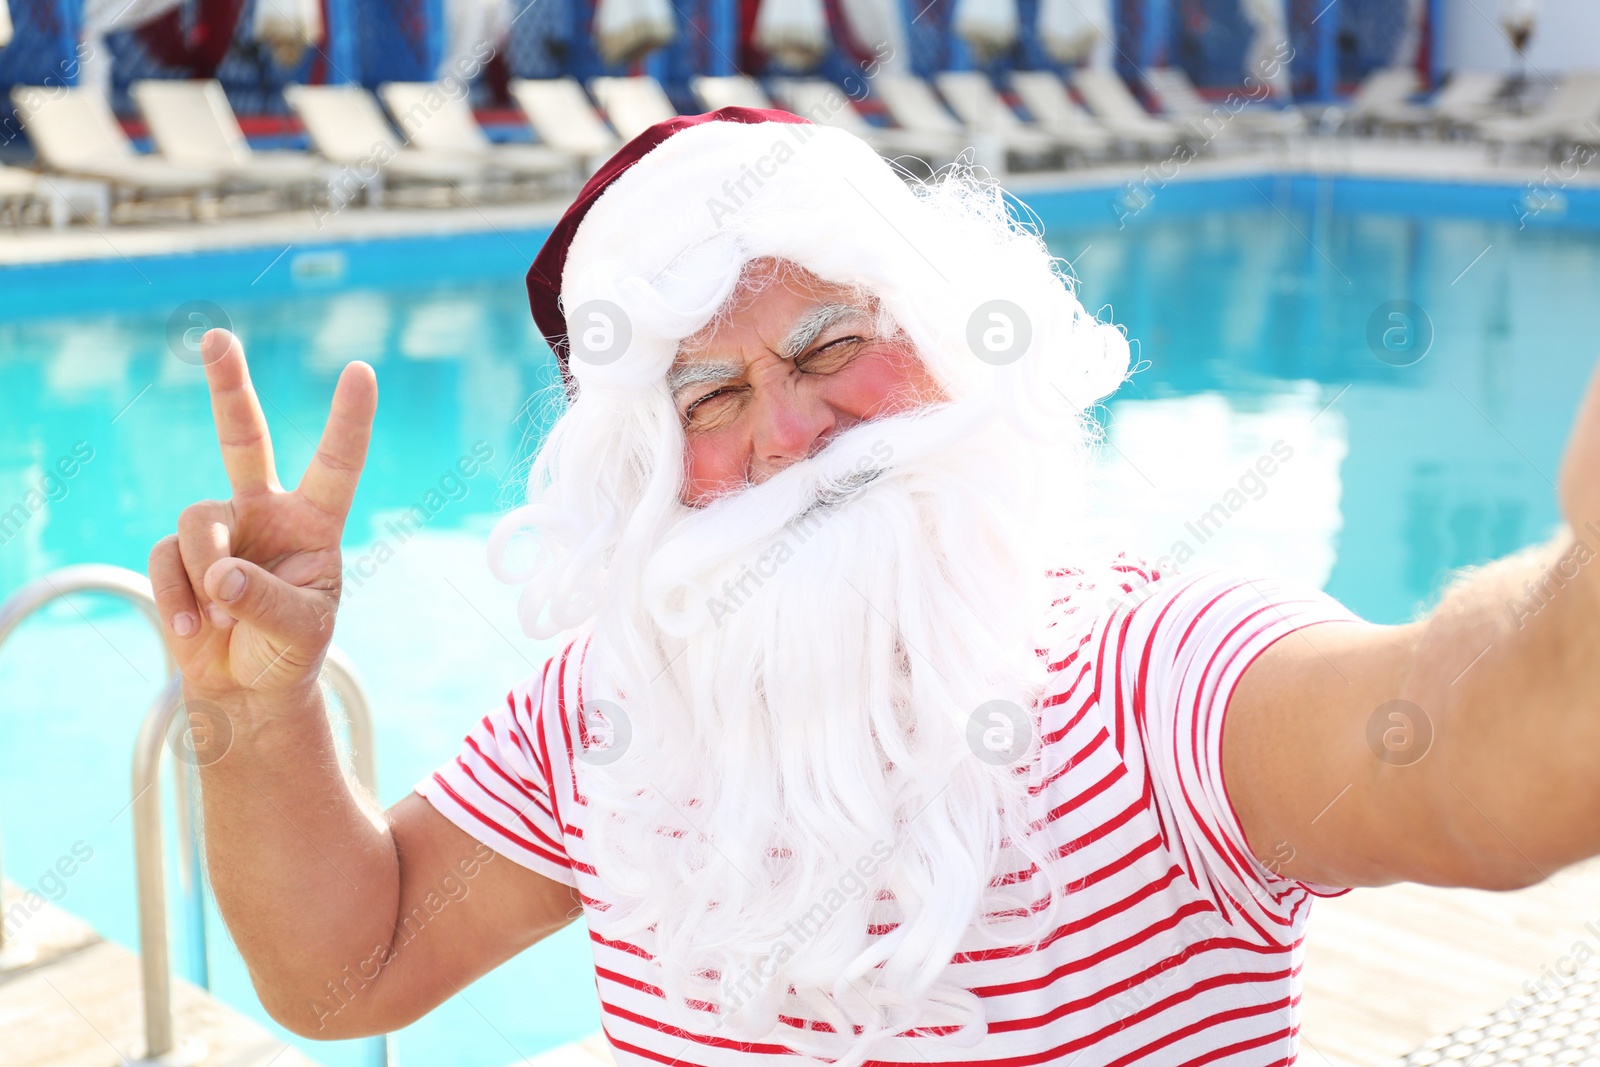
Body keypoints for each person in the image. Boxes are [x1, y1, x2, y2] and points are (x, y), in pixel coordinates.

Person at [147, 108, 1600, 1066]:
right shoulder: (602, 714)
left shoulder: (1157, 675)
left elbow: (1472, 759)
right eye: (706, 396)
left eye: (834, 346)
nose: (789, 435)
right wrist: (259, 717)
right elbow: (349, 975)